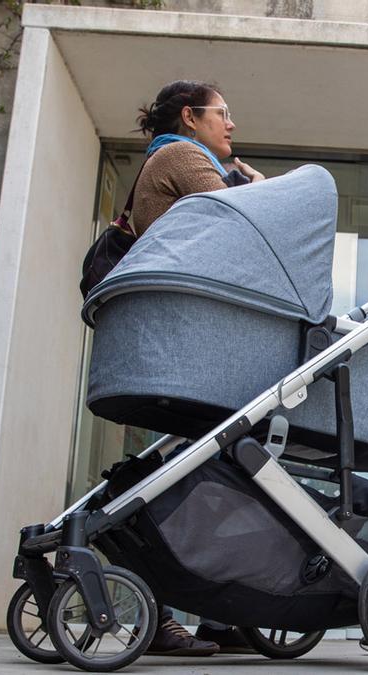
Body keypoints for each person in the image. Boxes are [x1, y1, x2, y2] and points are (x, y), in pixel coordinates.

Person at [130, 80, 263, 657]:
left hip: (179, 343)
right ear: (191, 117)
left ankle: (212, 613)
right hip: (186, 348)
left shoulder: (172, 159)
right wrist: (255, 187)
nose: (231, 125)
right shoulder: (182, 155)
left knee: (205, 479)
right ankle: (155, 614)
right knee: (179, 484)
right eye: (222, 114)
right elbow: (238, 225)